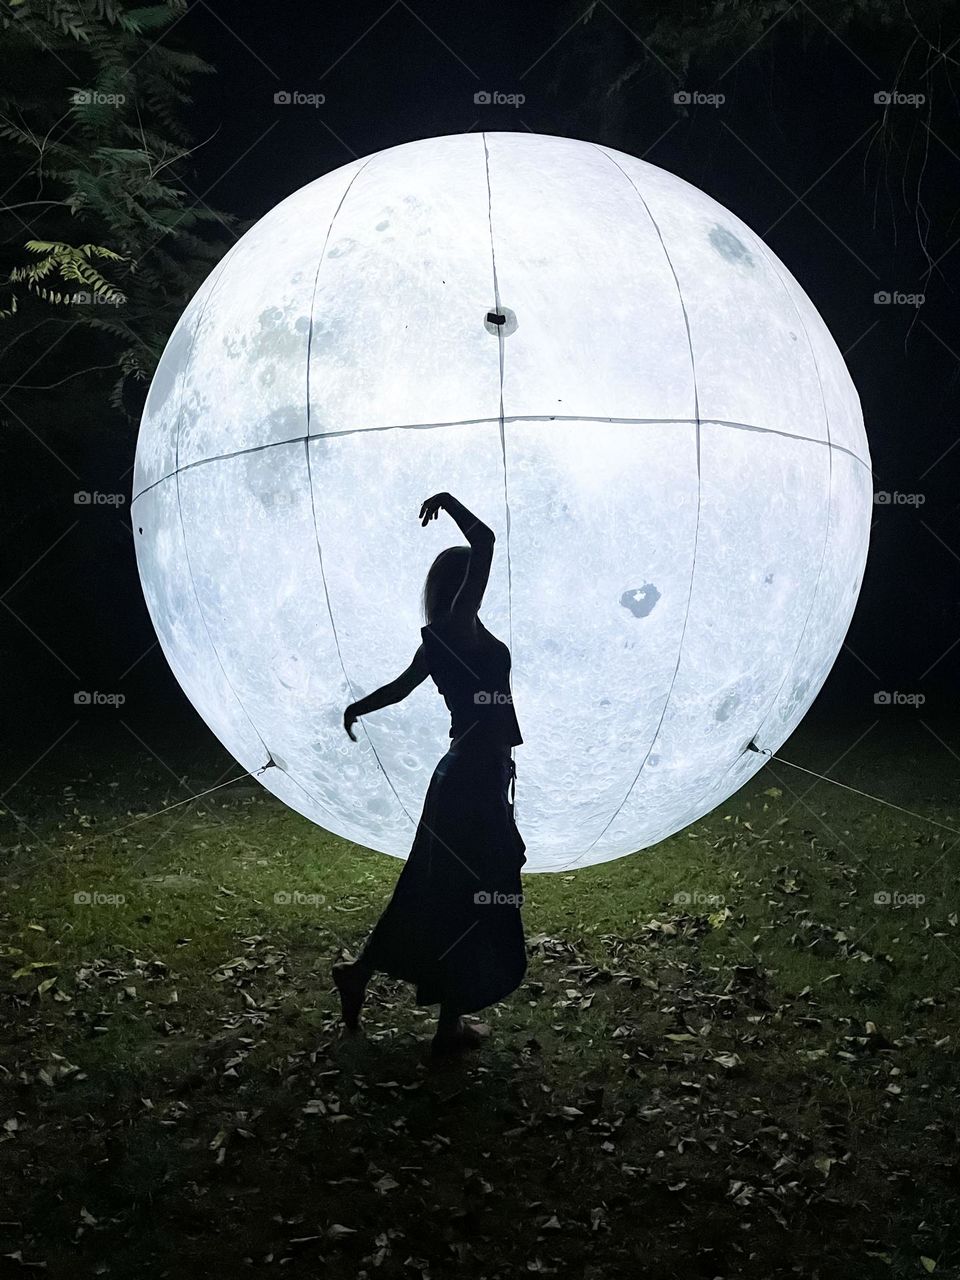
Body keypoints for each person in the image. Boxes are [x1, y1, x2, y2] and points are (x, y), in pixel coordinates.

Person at [333, 491, 527, 1057]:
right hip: (472, 778)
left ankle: (365, 975)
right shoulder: (459, 626)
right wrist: (448, 502)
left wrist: (357, 709)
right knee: (474, 893)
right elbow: (486, 541)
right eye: (473, 579)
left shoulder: (438, 638)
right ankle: (447, 1027)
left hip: (460, 776)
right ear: (463, 586)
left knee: (436, 890)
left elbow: (399, 688)